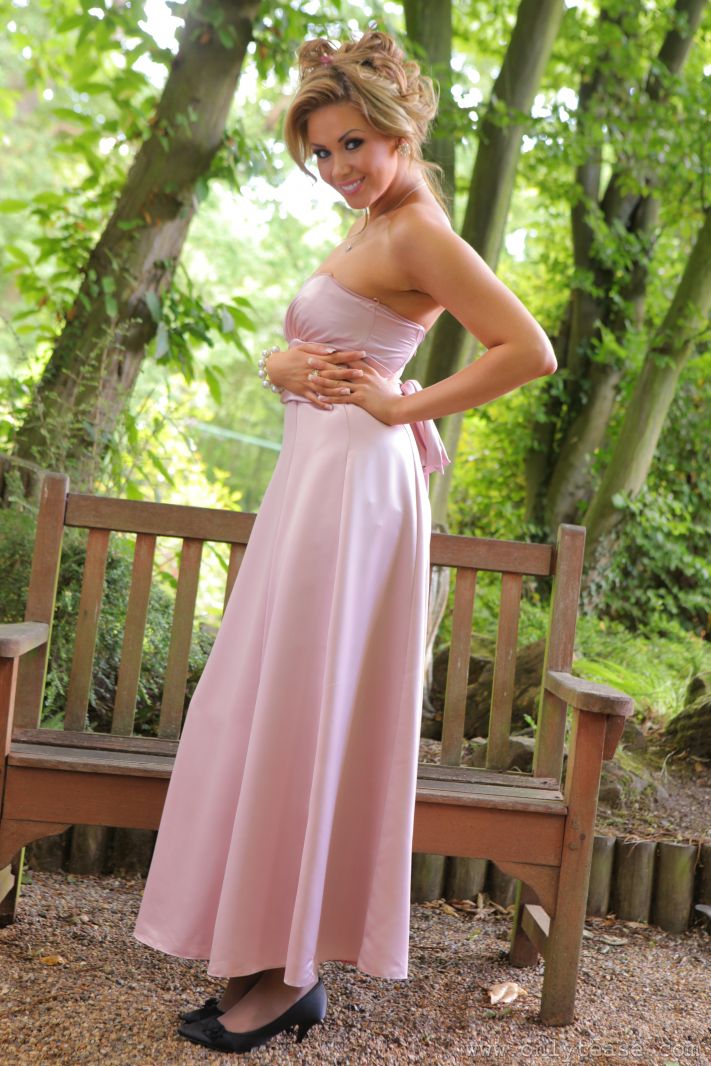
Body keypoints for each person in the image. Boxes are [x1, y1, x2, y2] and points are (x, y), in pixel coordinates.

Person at [132, 28, 556, 1056]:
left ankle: (292, 974)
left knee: (311, 707)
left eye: (352, 143)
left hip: (356, 491)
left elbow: (528, 349)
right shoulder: (378, 224)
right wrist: (281, 364)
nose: (335, 167)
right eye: (320, 152)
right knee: (277, 702)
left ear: (399, 129)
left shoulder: (419, 231)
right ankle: (265, 952)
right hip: (316, 488)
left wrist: (402, 407)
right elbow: (327, 346)